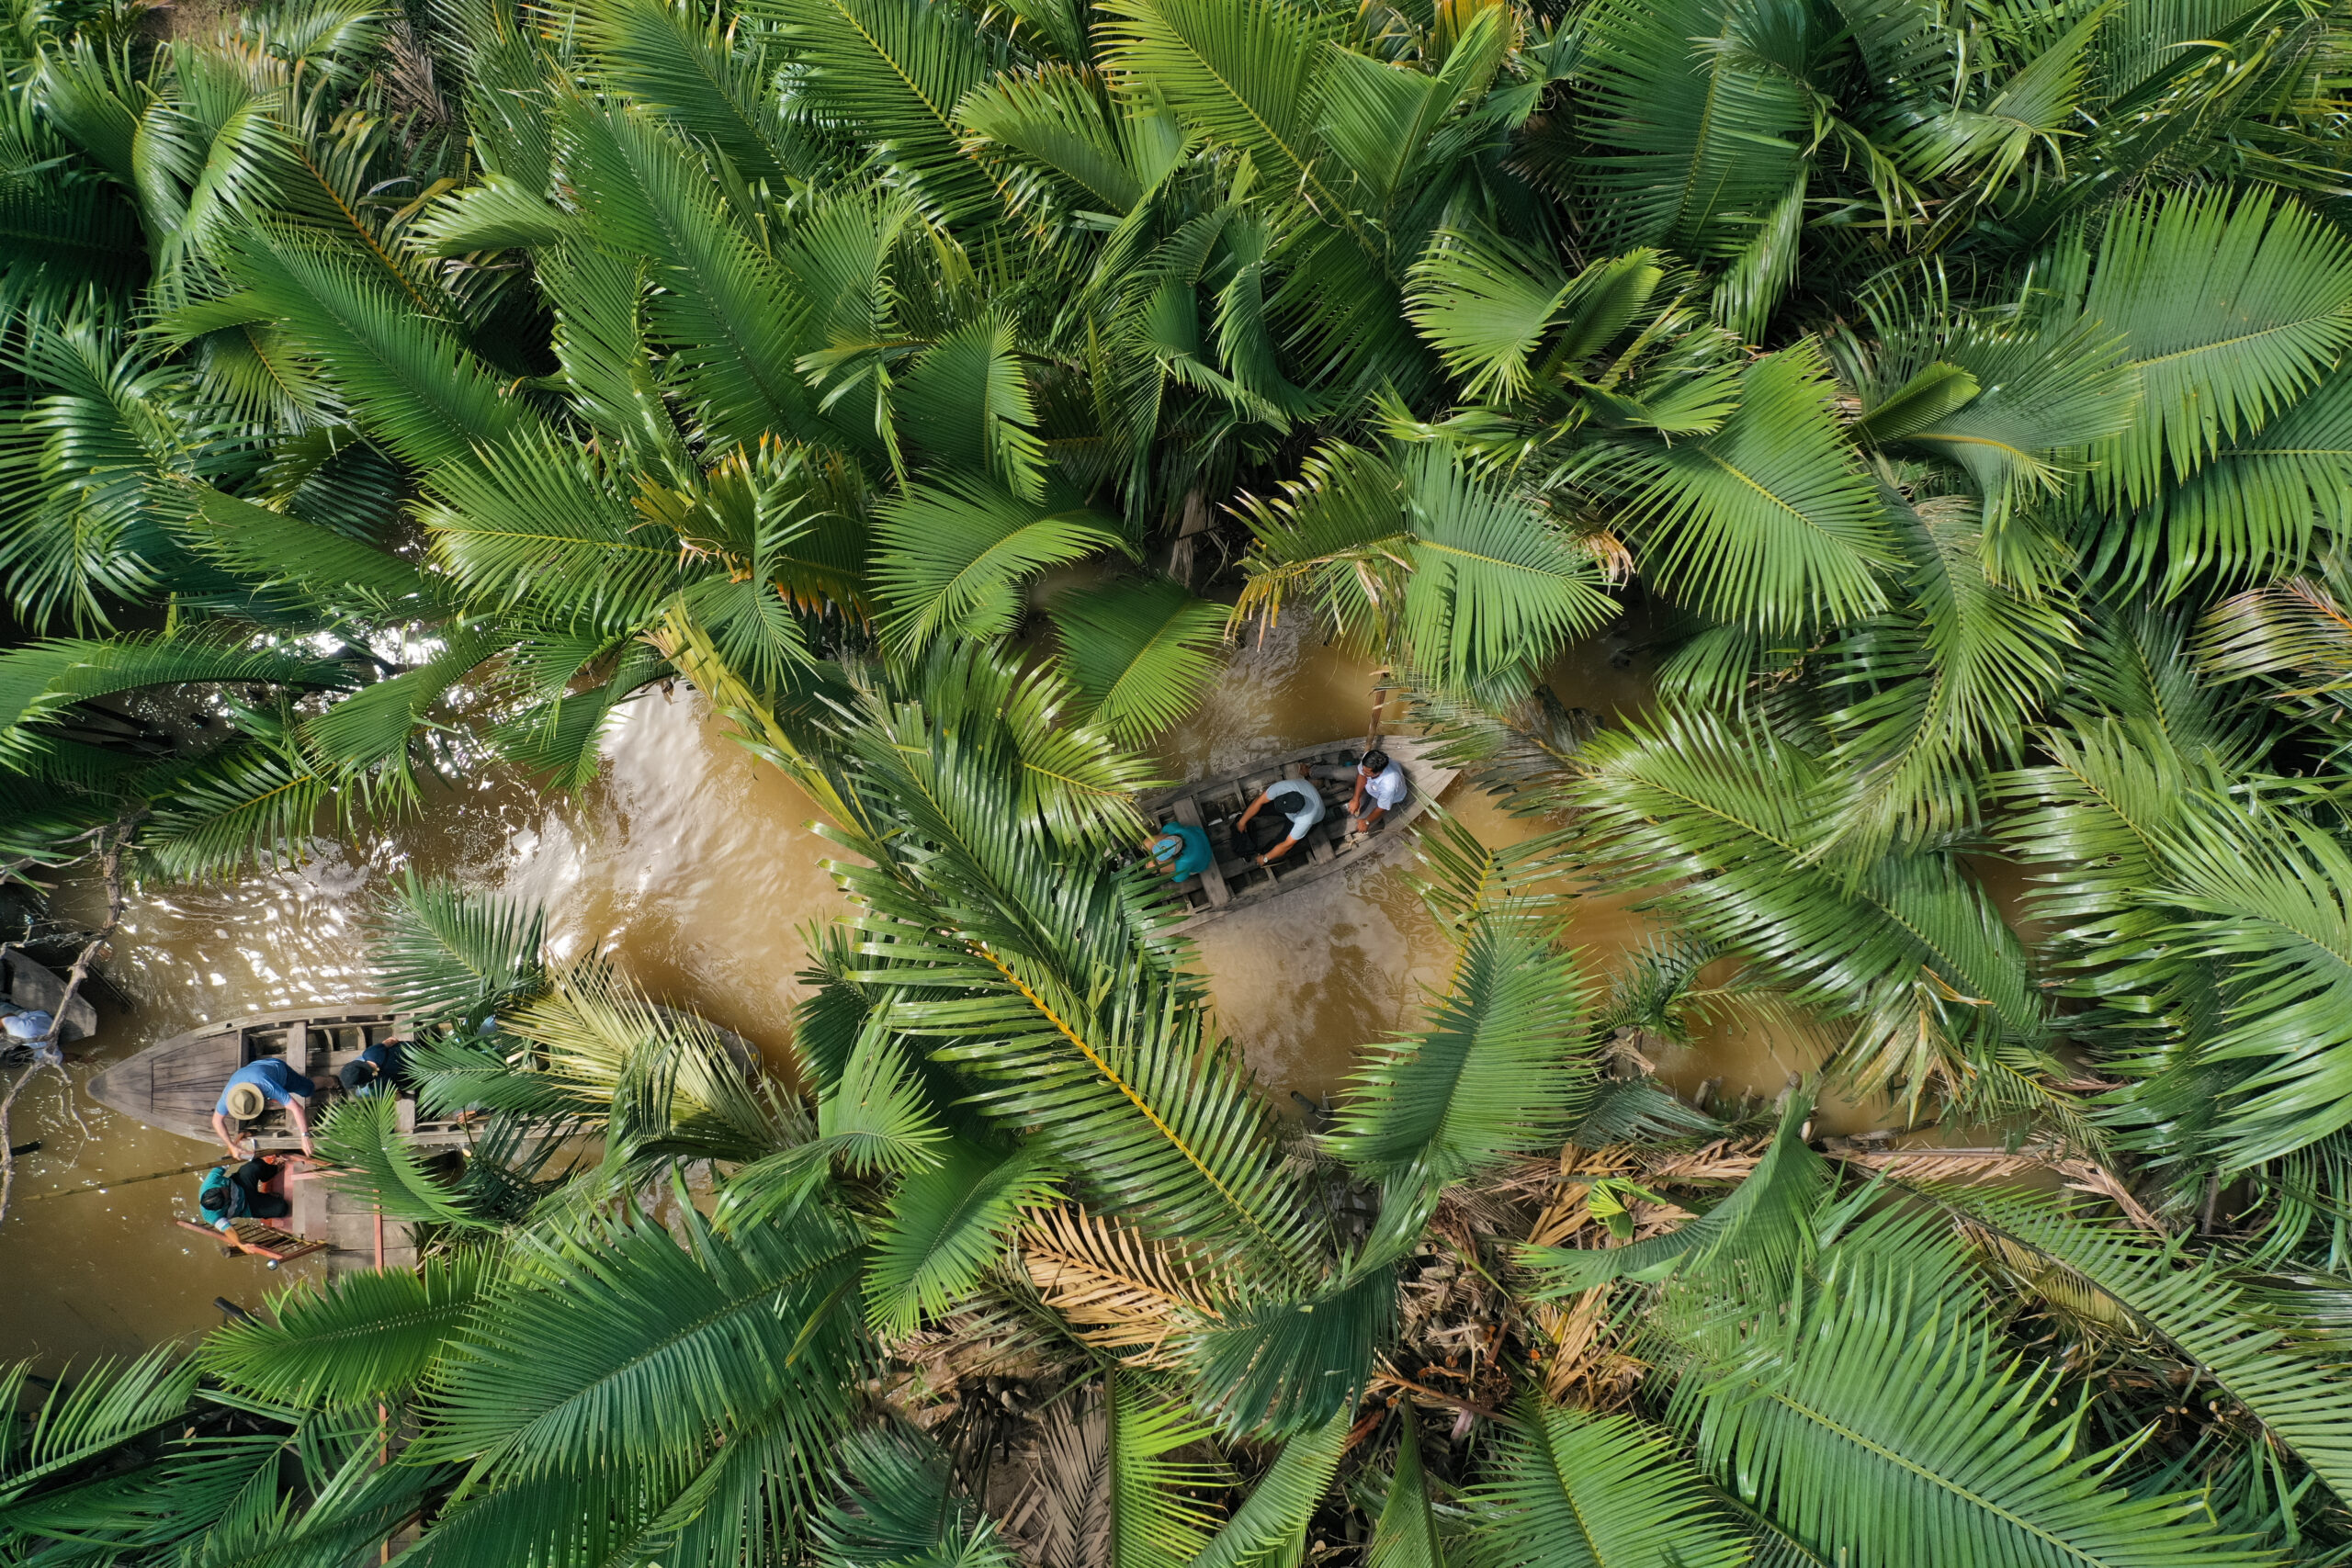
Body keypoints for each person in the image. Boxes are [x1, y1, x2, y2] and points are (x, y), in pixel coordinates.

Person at [212, 1057, 318, 1160]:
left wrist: (305, 1136)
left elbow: (297, 1108)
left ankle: (331, 1081)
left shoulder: (266, 1086)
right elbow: (216, 1121)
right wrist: (231, 1145)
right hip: (255, 1070)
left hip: (279, 1070)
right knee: (280, 1097)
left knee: (307, 1090)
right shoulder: (229, 1096)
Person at [1234, 763, 1327, 868]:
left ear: (1294, 812)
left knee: (1280, 845)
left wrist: (1265, 858)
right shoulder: (1283, 787)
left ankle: (1262, 854)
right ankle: (1242, 821)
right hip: (1301, 797)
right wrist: (1242, 822)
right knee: (1258, 806)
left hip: (1313, 817)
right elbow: (1259, 801)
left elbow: (1287, 845)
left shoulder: (1305, 820)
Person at [196, 1156, 292, 1229]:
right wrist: (240, 1244)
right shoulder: (212, 1217)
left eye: (223, 1189)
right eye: (228, 1196)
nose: (226, 1190)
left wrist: (236, 1144)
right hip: (247, 1206)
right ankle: (266, 1197)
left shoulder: (211, 1181)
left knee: (255, 1166)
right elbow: (228, 1230)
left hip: (241, 1184)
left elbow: (227, 1158)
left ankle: (273, 1170)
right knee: (282, 1209)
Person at [1346, 749, 1409, 833]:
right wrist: (1355, 799)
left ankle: (1376, 822)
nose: (1363, 772)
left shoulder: (1389, 785)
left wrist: (1367, 822)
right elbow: (1362, 775)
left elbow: (1381, 808)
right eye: (1363, 769)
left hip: (1383, 797)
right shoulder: (1369, 758)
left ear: (1380, 772)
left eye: (1367, 772)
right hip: (1371, 787)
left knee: (1360, 822)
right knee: (1338, 773)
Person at [1142, 820, 1216, 883]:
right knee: (1147, 845)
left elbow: (1178, 878)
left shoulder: (1184, 863)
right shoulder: (1177, 831)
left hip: (1204, 859)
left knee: (1151, 866)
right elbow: (1169, 826)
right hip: (1198, 835)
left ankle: (1158, 866)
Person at [337, 1037, 408, 1099]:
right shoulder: (369, 1053)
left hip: (415, 1077)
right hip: (414, 1049)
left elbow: (398, 1096)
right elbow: (392, 1040)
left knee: (359, 1093)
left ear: (363, 1082)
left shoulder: (375, 1088)